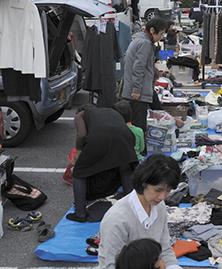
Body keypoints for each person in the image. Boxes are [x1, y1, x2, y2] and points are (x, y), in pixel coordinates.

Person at [98, 153, 182, 269]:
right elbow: (112, 265)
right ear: (143, 182)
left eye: (168, 191)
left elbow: (165, 250)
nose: (162, 197)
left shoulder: (159, 206)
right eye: (158, 190)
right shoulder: (116, 219)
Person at [67, 104, 139, 223]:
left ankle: (80, 213)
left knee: (79, 173)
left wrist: (77, 155)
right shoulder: (108, 111)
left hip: (100, 138)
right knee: (125, 167)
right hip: (126, 137)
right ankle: (132, 208)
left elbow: (82, 135)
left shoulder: (81, 115)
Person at [123, 17, 167, 155]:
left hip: (135, 90)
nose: (161, 37)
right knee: (139, 127)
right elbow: (138, 68)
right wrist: (136, 89)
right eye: (160, 34)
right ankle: (139, 156)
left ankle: (136, 155)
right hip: (138, 93)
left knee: (135, 126)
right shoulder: (145, 43)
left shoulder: (139, 39)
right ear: (152, 30)